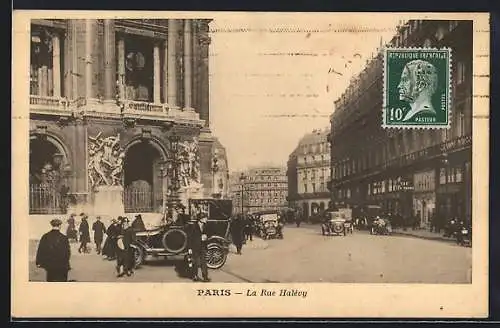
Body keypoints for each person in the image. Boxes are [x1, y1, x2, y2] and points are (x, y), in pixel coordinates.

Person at [187, 213, 211, 282]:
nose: (207, 219)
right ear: (201, 219)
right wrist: (189, 248)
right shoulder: (193, 226)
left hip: (203, 246)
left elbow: (208, 234)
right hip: (195, 247)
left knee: (204, 262)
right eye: (205, 218)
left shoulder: (206, 226)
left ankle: (205, 277)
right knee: (195, 262)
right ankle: (195, 276)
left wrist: (206, 237)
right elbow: (190, 238)